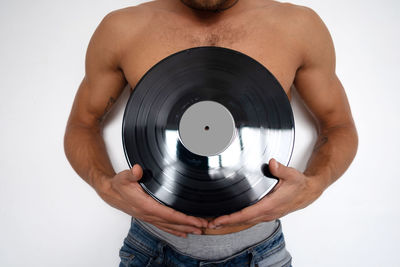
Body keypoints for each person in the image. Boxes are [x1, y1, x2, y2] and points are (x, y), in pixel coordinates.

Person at [63, 0, 358, 266]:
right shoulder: (122, 28)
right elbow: (83, 123)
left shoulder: (298, 26)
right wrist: (104, 186)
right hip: (152, 251)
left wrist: (315, 185)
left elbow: (338, 124)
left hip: (260, 253)